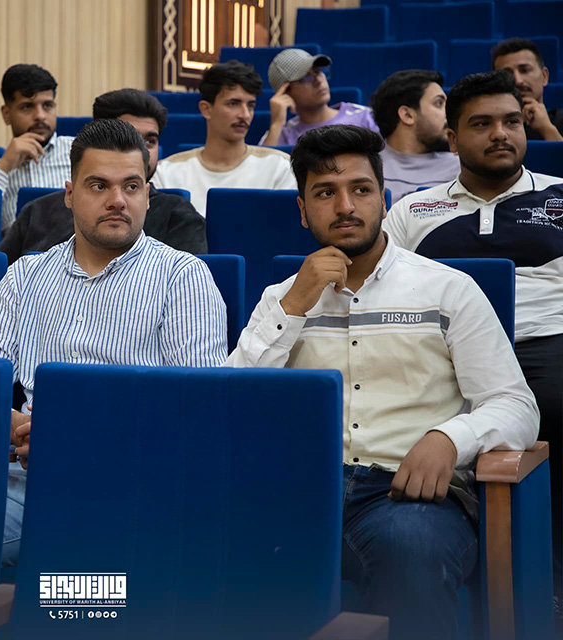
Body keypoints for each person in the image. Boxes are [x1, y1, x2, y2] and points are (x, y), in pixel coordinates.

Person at [227, 124, 539, 639]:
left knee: (410, 548)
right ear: (302, 210)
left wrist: (449, 438)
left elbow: (515, 404)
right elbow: (232, 403)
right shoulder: (282, 298)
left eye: (361, 189)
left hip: (406, 496)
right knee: (214, 544)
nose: (345, 206)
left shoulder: (448, 289)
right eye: (325, 193)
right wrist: (293, 307)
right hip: (302, 492)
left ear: (383, 199)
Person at [0, 119, 228, 565]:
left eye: (131, 186)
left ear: (148, 195)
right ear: (69, 194)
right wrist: (23, 429)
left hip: (132, 482)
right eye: (98, 186)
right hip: (25, 477)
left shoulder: (182, 278)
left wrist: (73, 439)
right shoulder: (25, 276)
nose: (117, 200)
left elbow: (198, 412)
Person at [386, 69, 563, 616]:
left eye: (511, 122)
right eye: (482, 124)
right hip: (445, 352)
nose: (501, 134)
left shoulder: (560, 197)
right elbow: (379, 289)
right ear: (452, 137)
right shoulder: (414, 211)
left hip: (546, 340)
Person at [0, 88, 207, 263]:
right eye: (129, 139)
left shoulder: (178, 215)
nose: (140, 151)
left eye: (150, 142)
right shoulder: (38, 212)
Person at [152, 61, 296, 216]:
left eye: (250, 105)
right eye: (233, 104)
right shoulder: (166, 173)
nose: (245, 115)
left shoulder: (280, 168)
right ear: (206, 109)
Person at [0, 64, 73, 229]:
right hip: (16, 246)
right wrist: (4, 166)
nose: (40, 116)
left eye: (47, 105)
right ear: (6, 114)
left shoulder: (80, 153)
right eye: (27, 107)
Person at [370, 70, 461, 203]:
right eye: (439, 103)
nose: (449, 114)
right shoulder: (367, 168)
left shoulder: (462, 169)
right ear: (407, 115)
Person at [261, 48, 380, 147]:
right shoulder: (282, 134)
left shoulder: (365, 117)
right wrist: (276, 124)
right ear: (285, 93)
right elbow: (264, 167)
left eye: (317, 71)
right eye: (306, 77)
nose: (318, 80)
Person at [492, 38, 563, 141]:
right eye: (507, 74)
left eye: (524, 70)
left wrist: (547, 129)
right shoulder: (488, 125)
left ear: (544, 76)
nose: (518, 81)